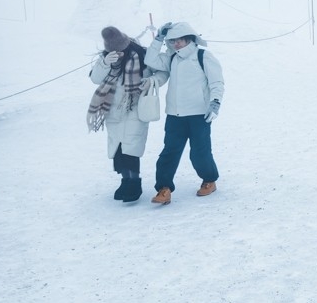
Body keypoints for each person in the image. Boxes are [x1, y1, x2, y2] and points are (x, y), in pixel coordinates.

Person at [145, 21, 224, 205]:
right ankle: (164, 189)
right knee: (169, 153)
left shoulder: (203, 56)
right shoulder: (171, 58)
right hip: (175, 116)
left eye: (179, 40)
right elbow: (150, 60)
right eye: (172, 41)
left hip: (199, 115)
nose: (176, 44)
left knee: (199, 153)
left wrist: (215, 103)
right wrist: (159, 38)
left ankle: (209, 180)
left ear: (189, 39)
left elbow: (217, 82)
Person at [87, 26, 160, 202]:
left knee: (131, 148)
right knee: (118, 149)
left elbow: (160, 72)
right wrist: (105, 62)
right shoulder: (106, 58)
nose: (118, 53)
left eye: (119, 49)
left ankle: (135, 183)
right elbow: (95, 79)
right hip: (112, 110)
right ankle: (125, 180)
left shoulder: (141, 54)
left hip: (134, 108)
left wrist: (151, 81)